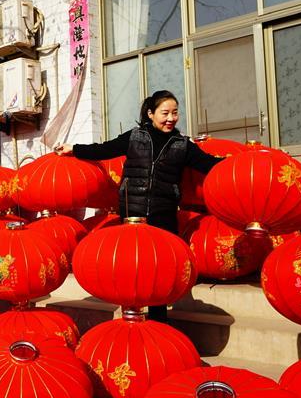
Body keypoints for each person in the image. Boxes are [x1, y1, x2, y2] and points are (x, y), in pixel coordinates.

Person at [54, 90, 222, 321]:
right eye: (165, 113)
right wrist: (74, 149)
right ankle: (131, 316)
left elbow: (209, 165)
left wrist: (239, 164)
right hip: (132, 210)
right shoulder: (135, 136)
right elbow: (105, 149)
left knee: (160, 268)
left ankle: (158, 319)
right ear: (151, 114)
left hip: (164, 212)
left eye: (175, 113)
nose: (171, 118)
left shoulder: (183, 145)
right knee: (134, 265)